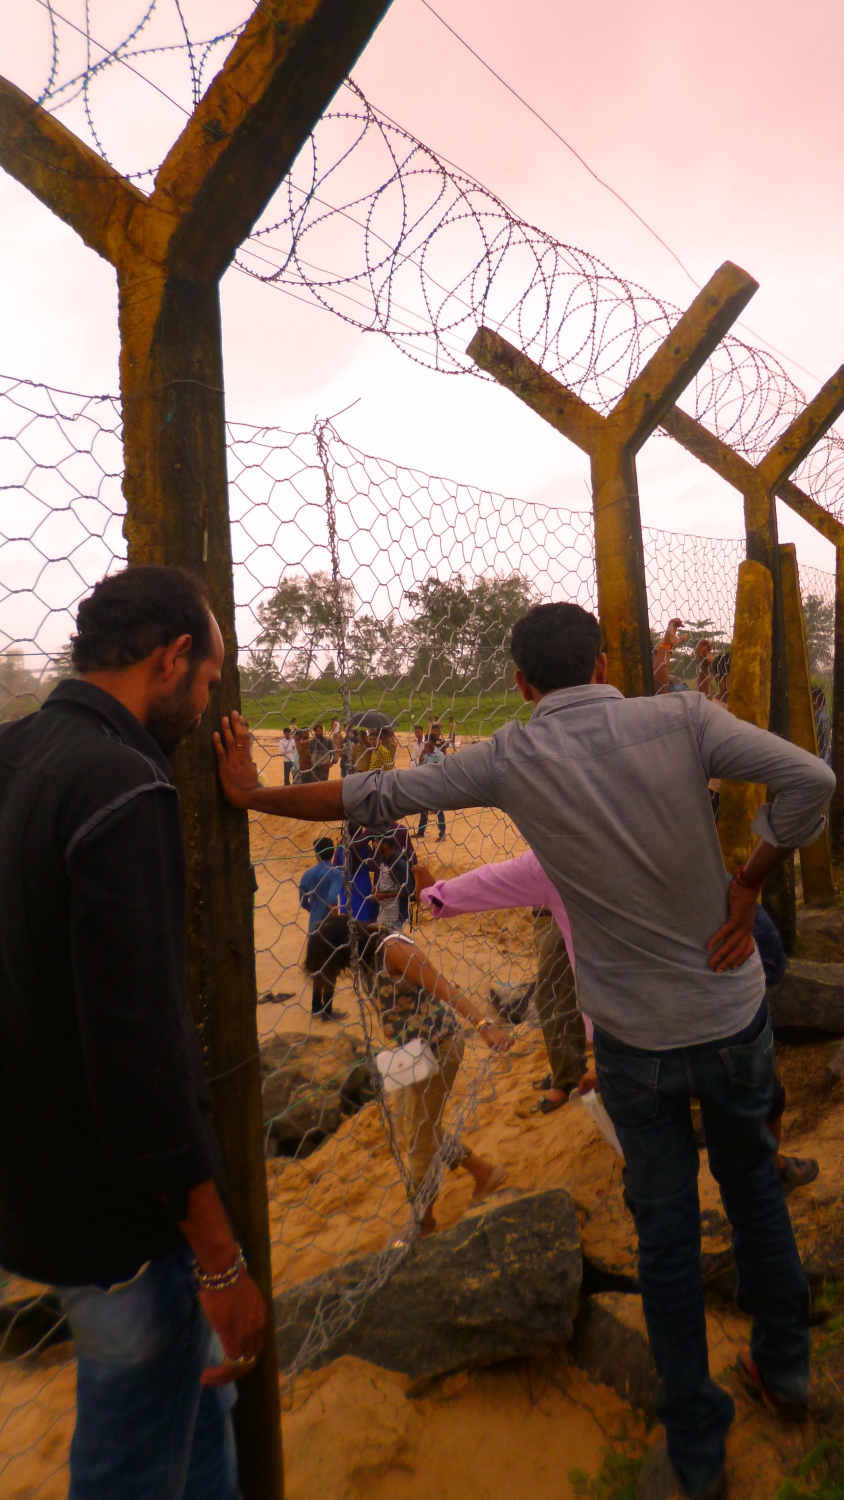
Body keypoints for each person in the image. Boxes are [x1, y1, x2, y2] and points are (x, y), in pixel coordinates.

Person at [215, 598, 835, 1500]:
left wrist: (252, 794)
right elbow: (810, 779)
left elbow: (370, 795)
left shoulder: (512, 755)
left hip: (630, 1038)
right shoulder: (684, 717)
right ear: (602, 659)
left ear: (519, 681)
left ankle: (696, 1445)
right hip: (731, 1009)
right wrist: (749, 885)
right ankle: (785, 1373)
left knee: (663, 1233)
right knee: (752, 1186)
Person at [0, 565, 267, 1500]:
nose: (209, 703)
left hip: (33, 1183)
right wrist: (221, 1255)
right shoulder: (123, 786)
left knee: (193, 1424)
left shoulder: (15, 753)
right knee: (127, 1461)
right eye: (209, 679)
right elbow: (142, 1051)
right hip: (123, 1222)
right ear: (170, 659)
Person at [304, 916, 511, 1233]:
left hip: (438, 1048)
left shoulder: (393, 950)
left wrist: (484, 1026)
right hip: (407, 1054)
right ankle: (483, 1172)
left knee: (418, 1142)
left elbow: (444, 987)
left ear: (343, 949)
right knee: (409, 1128)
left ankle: (424, 1222)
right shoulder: (367, 958)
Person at [418, 851, 586, 1112]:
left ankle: (568, 1081)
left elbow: (494, 881)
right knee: (559, 995)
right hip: (552, 913)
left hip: (559, 918)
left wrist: (438, 894)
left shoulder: (553, 858)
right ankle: (569, 1068)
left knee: (552, 997)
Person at [298, 837, 347, 1020]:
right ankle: (328, 1010)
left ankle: (315, 1006)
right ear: (333, 852)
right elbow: (333, 898)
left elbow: (303, 900)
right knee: (331, 968)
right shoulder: (335, 873)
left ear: (316, 854)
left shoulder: (308, 874)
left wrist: (312, 909)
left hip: (314, 925)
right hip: (329, 928)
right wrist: (336, 919)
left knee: (316, 966)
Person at [372, 833, 413, 932]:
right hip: (384, 910)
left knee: (392, 940)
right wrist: (377, 887)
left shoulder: (399, 863)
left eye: (377, 842)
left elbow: (408, 890)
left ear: (385, 845)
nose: (374, 844)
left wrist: (384, 895)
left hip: (396, 912)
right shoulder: (384, 859)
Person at [416, 735, 446, 840]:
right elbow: (419, 769)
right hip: (425, 785)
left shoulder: (440, 755)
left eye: (427, 742)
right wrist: (420, 758)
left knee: (439, 810)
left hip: (436, 785)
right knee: (423, 809)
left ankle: (442, 833)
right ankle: (421, 831)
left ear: (433, 742)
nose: (425, 744)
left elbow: (442, 770)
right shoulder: (425, 755)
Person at [813, 685, 833, 766]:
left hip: (823, 758)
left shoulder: (820, 717)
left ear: (816, 700)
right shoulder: (823, 714)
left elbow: (820, 742)